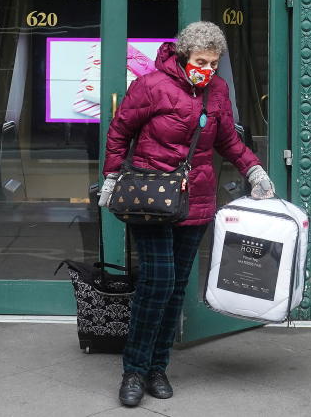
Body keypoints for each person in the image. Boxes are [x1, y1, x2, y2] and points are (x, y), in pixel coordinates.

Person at [99, 21, 276, 408]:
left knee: (177, 286)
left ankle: (157, 367)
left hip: (194, 201)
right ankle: (134, 369)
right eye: (201, 61)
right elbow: (119, 132)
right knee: (157, 282)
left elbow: (228, 139)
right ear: (183, 56)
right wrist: (112, 176)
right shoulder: (150, 86)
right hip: (150, 198)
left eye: (213, 63)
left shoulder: (218, 91)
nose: (207, 69)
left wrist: (253, 169)